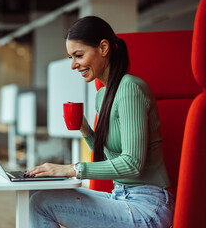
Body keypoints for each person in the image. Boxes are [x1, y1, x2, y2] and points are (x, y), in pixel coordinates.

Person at [25, 16, 175, 228]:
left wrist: (71, 169)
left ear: (103, 48)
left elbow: (132, 165)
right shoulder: (102, 94)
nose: (73, 65)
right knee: (37, 192)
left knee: (42, 203)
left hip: (149, 206)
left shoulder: (129, 89)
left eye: (78, 55)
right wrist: (85, 129)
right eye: (71, 58)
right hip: (122, 197)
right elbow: (107, 158)